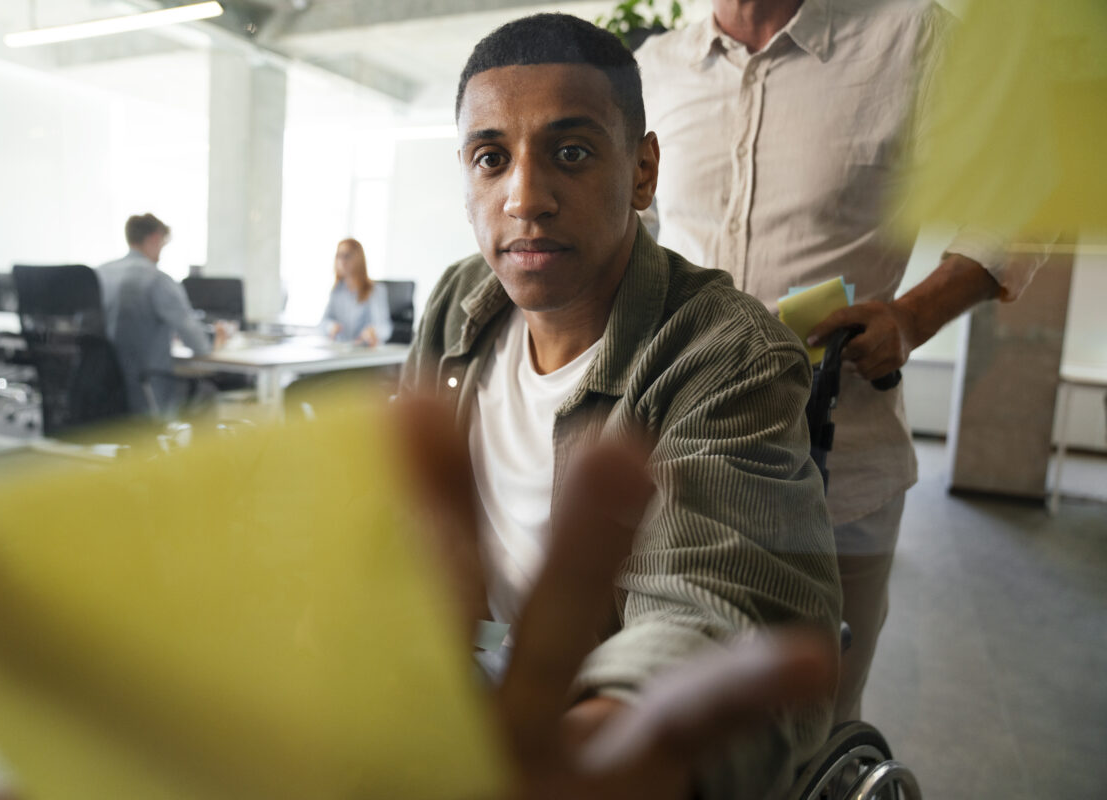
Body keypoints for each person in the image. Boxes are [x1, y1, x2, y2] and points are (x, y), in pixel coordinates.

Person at [401, 13, 840, 798]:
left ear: (643, 172)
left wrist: (610, 729)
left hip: (577, 714)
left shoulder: (727, 355)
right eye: (490, 159)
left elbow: (708, 599)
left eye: (571, 153)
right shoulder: (458, 304)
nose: (524, 198)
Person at [634, 0, 1048, 723]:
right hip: (680, 459)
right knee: (677, 709)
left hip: (840, 468)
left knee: (818, 715)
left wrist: (912, 316)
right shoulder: (654, 67)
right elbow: (628, 234)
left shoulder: (912, 37)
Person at [97, 213, 218, 416]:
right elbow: (198, 344)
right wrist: (215, 339)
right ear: (154, 238)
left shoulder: (99, 273)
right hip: (147, 389)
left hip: (101, 388)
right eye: (162, 243)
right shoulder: (157, 280)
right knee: (208, 394)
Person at [320, 238, 392, 346]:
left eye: (347, 256)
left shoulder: (375, 290)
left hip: (367, 352)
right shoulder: (337, 290)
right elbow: (322, 324)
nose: (342, 261)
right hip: (343, 350)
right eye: (339, 256)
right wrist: (331, 327)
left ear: (358, 259)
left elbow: (385, 328)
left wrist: (373, 332)